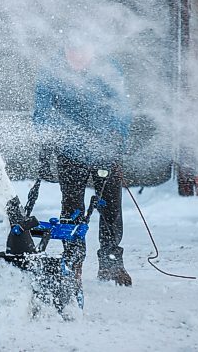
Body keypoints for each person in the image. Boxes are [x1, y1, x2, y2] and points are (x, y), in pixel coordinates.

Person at [33, 35, 132, 286]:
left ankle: (111, 264)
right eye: (72, 51)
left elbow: (121, 107)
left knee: (110, 207)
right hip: (69, 150)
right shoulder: (51, 72)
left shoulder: (109, 69)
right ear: (65, 49)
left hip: (104, 149)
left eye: (82, 51)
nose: (77, 57)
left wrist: (116, 135)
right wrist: (48, 137)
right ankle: (73, 261)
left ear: (93, 49)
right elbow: (42, 111)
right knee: (72, 208)